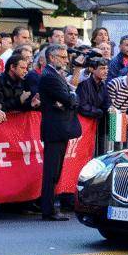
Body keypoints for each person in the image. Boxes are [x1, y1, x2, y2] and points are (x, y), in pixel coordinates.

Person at [39, 44, 80, 221]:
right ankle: (48, 209)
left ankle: (50, 208)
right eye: (62, 57)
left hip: (59, 129)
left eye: (66, 57)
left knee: (55, 171)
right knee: (51, 172)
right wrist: (70, 98)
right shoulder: (50, 77)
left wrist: (70, 97)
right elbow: (69, 98)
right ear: (52, 58)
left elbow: (71, 96)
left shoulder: (55, 75)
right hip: (55, 129)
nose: (66, 60)